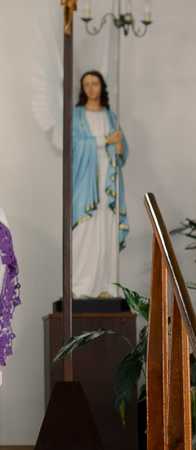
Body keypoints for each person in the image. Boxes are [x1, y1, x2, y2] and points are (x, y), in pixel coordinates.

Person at [72, 69, 128, 299]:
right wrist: (105, 139)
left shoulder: (110, 115)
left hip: (109, 180)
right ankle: (81, 287)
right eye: (87, 84)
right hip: (87, 181)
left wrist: (119, 146)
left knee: (107, 227)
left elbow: (121, 147)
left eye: (95, 83)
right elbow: (74, 144)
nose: (91, 88)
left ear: (101, 86)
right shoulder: (77, 115)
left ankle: (107, 286)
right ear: (82, 88)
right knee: (84, 229)